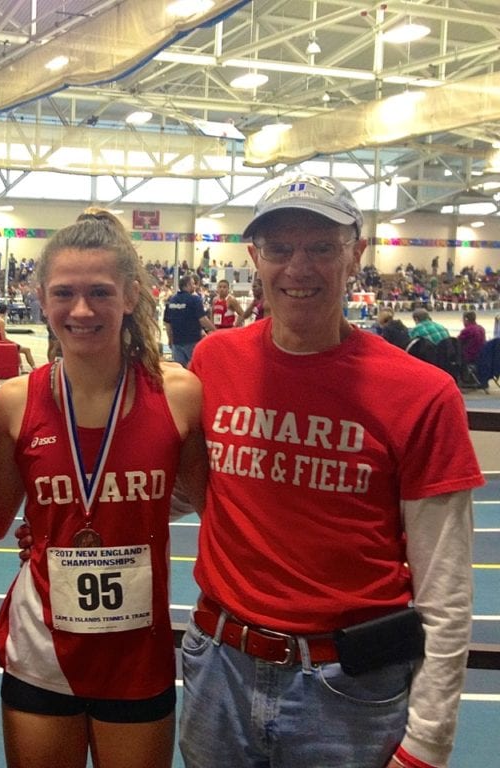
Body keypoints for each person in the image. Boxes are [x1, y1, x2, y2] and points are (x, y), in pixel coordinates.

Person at [180, 173, 481, 768]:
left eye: (322, 247)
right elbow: (188, 488)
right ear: (254, 259)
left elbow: (445, 585)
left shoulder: (422, 392)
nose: (299, 268)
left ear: (356, 256)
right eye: (280, 249)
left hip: (350, 690)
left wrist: (428, 739)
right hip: (219, 668)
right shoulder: (215, 360)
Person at [0, 209, 207, 768]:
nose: (81, 311)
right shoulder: (15, 401)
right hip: (41, 650)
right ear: (41, 298)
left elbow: (215, 509)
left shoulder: (178, 394)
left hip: (138, 655)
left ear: (130, 296)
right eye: (64, 293)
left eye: (99, 292)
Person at [162, 273, 215, 365]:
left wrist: (170, 339)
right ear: (188, 285)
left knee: (180, 370)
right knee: (194, 369)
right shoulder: (195, 300)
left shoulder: (171, 300)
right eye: (193, 284)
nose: (194, 286)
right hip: (192, 341)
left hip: (177, 343)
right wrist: (215, 330)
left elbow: (167, 324)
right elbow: (202, 319)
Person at [0, 303, 37, 372]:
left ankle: (22, 368)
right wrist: (14, 343)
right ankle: (34, 367)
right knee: (27, 350)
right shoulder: (1, 321)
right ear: (6, 311)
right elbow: (3, 339)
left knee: (16, 348)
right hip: (0, 343)